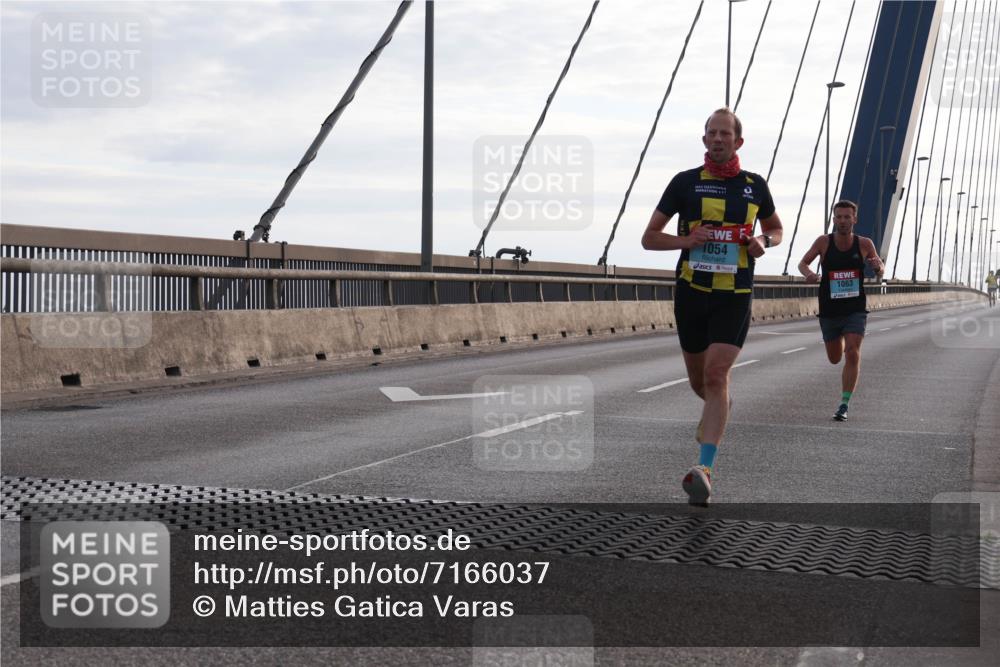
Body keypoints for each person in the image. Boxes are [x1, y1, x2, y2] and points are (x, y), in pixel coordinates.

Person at [642, 108, 783, 506]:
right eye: (711, 133)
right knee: (700, 383)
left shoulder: (754, 186)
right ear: (704, 140)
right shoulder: (684, 184)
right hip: (692, 293)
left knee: (717, 374)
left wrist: (765, 243)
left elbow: (776, 228)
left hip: (734, 295)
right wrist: (686, 241)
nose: (718, 139)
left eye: (725, 134)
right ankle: (716, 412)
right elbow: (649, 239)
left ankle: (704, 468)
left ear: (739, 142)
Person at [797, 200, 884, 422]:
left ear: (854, 219)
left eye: (847, 217)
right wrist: (808, 274)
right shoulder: (823, 242)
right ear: (834, 219)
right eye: (839, 217)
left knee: (853, 352)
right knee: (835, 358)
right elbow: (803, 263)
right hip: (829, 309)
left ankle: (844, 404)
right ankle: (841, 341)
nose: (843, 221)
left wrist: (877, 267)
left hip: (855, 307)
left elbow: (879, 267)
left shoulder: (864, 243)